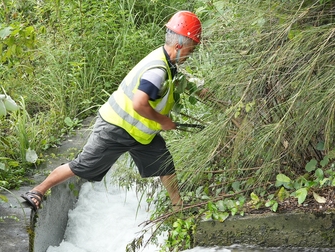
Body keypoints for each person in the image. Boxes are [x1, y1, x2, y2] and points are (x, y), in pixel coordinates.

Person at [21, 11, 202, 210]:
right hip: (115, 128)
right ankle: (38, 190)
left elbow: (188, 84)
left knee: (164, 163)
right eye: (190, 50)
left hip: (141, 134)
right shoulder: (157, 70)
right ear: (179, 46)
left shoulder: (168, 62)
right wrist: (163, 121)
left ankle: (178, 207)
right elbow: (139, 104)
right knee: (84, 165)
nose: (190, 55)